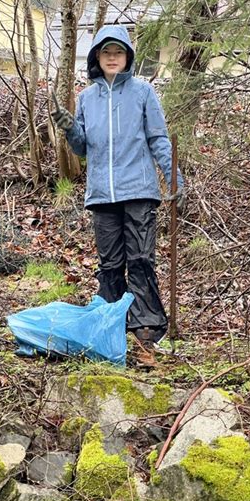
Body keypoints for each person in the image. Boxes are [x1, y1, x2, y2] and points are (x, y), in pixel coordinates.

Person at [52, 24, 184, 348]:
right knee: (110, 266)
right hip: (101, 194)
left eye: (119, 52)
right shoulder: (86, 98)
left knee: (140, 260)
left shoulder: (143, 92)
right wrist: (70, 129)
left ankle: (145, 334)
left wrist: (174, 178)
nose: (113, 58)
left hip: (138, 191)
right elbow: (82, 148)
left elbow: (159, 140)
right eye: (107, 52)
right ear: (97, 56)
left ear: (128, 57)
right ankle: (110, 333)